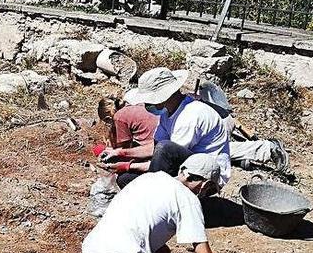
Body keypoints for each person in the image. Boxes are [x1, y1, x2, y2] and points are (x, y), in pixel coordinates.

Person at [82, 154, 256, 253]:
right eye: (210, 191)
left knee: (163, 252)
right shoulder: (187, 199)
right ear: (205, 185)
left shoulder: (150, 178)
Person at [99, 67, 231, 189]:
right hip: (185, 164)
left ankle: (159, 201)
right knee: (125, 179)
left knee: (165, 149)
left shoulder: (190, 116)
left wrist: (128, 165)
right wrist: (120, 153)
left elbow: (167, 157)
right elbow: (155, 148)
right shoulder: (168, 113)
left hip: (206, 175)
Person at [196, 82, 289, 173]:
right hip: (219, 119)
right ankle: (240, 158)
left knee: (202, 152)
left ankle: (269, 148)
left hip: (217, 121)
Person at [96, 96, 159, 177]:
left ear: (108, 118)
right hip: (158, 143)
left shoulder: (119, 117)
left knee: (123, 177)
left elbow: (124, 149)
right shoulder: (136, 106)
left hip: (153, 151)